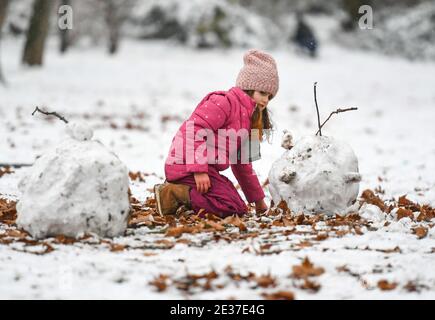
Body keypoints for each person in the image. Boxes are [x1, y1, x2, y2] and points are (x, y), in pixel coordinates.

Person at [154, 49, 279, 218]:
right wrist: (199, 170)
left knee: (238, 207)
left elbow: (243, 164)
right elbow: (193, 130)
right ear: (249, 88)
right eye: (262, 93)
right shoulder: (224, 102)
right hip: (185, 165)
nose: (265, 100)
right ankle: (173, 193)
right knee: (229, 207)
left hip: (208, 169)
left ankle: (185, 194)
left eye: (270, 97)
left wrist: (258, 201)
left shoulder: (252, 120)